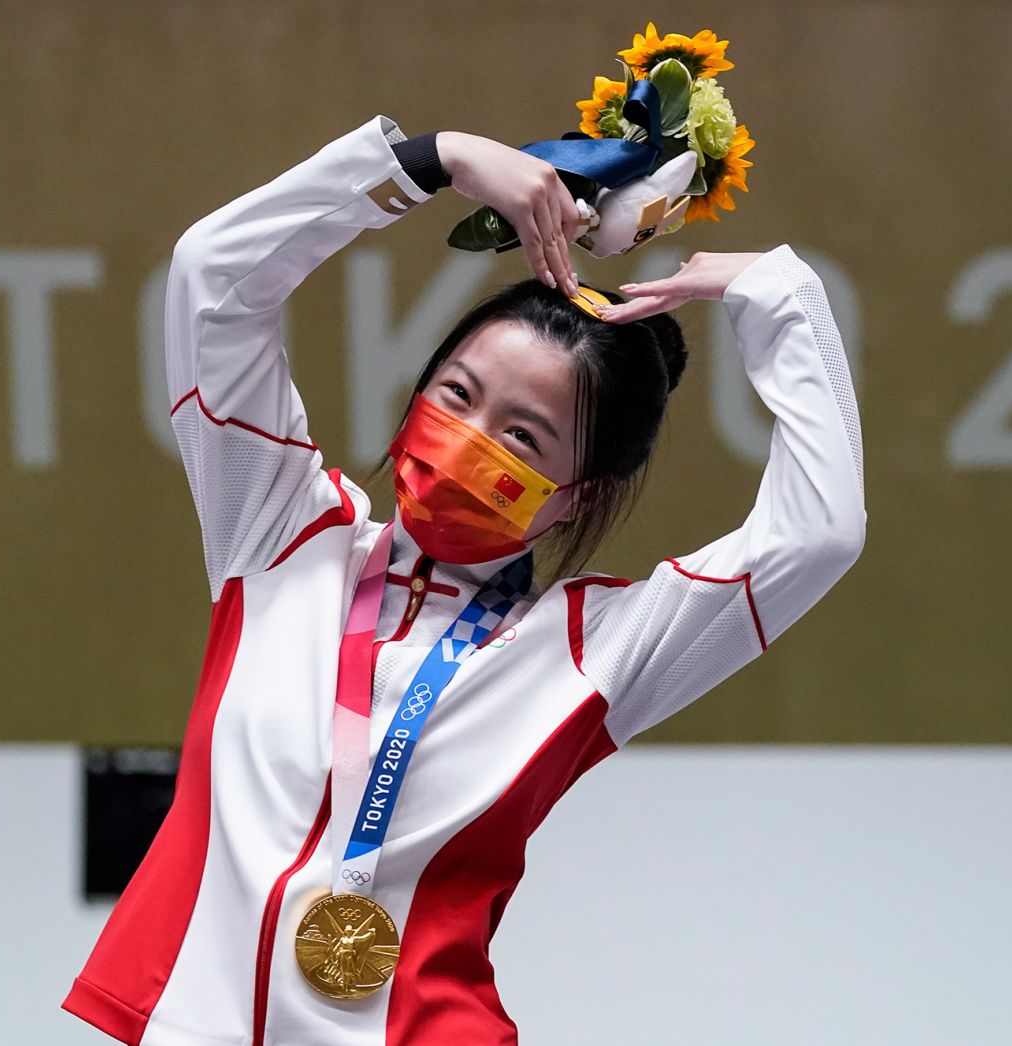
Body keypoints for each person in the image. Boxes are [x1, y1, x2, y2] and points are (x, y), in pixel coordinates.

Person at [64, 116, 866, 1046]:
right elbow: (213, 281)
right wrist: (430, 162)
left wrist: (777, 296)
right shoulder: (283, 532)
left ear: (576, 498)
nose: (469, 438)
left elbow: (818, 532)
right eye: (456, 394)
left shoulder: (588, 650)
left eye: (523, 437)